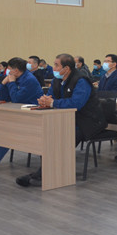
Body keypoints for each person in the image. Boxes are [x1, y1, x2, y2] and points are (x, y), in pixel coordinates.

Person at [16, 53, 106, 187]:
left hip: (88, 121)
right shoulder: (57, 80)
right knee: (48, 136)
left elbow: (76, 103)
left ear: (66, 68)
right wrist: (45, 100)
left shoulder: (81, 80)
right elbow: (50, 96)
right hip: (67, 119)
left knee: (62, 139)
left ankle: (42, 175)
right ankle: (46, 172)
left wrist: (53, 103)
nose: (54, 68)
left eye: (57, 65)